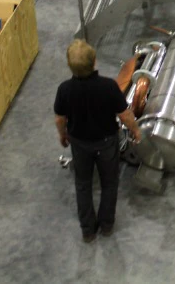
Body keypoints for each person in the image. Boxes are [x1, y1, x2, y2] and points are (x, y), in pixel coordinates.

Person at [54, 39, 142, 243]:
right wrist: (135, 130)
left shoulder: (64, 89)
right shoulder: (108, 87)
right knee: (109, 183)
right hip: (105, 142)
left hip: (79, 143)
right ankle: (107, 225)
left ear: (70, 66)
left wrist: (63, 135)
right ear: (94, 62)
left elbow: (60, 119)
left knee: (83, 184)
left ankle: (88, 230)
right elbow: (124, 115)